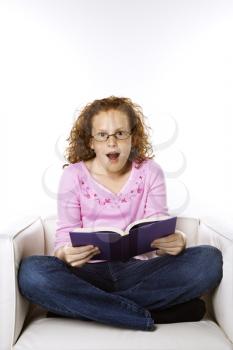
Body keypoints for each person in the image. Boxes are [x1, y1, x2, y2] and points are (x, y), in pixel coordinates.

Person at [18, 96, 223, 331]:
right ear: (91, 142)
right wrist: (65, 254)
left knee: (209, 260)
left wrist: (178, 240)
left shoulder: (150, 172)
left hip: (139, 272)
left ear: (133, 138)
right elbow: (64, 236)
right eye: (102, 135)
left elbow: (157, 224)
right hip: (87, 272)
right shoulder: (73, 175)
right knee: (32, 272)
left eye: (120, 133)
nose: (112, 142)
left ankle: (85, 309)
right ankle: (148, 315)